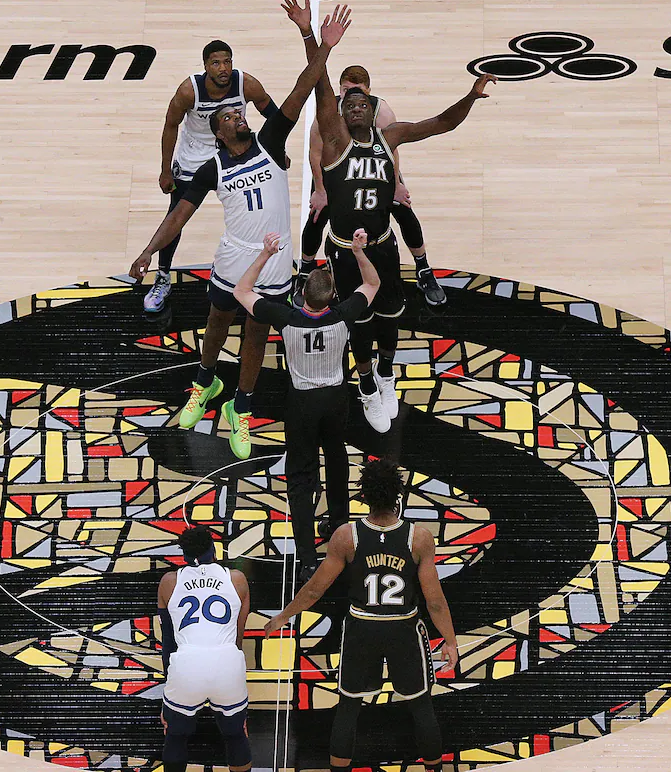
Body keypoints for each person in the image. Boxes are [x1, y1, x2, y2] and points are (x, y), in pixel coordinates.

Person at [128, 0, 353, 459]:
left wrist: (320, 45)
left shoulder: (270, 141)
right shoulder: (210, 167)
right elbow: (179, 215)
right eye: (230, 118)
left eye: (240, 114)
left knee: (256, 333)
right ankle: (204, 382)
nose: (239, 116)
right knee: (216, 321)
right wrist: (149, 251)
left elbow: (301, 88)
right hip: (235, 255)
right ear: (218, 133)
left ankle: (242, 407)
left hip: (272, 260)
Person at [285, 0, 496, 431]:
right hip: (344, 252)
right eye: (350, 104)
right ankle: (365, 386)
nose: (357, 105)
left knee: (390, 317)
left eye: (365, 102)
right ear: (339, 115)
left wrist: (471, 96)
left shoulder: (390, 135)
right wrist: (311, 34)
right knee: (359, 324)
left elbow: (442, 123)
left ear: (373, 109)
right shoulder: (335, 140)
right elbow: (320, 82)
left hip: (382, 246)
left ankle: (384, 374)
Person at [262, 460, 458, 772]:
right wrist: (450, 641)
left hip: (361, 629)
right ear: (398, 494)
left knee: (349, 708)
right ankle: (435, 768)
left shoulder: (346, 536)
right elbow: (434, 601)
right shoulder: (418, 538)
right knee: (421, 706)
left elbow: (315, 590)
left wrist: (283, 616)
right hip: (403, 628)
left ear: (363, 495)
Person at [233, 229, 382, 580]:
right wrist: (359, 251)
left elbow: (241, 291)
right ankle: (342, 532)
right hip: (335, 399)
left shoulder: (286, 317)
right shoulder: (343, 314)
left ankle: (306, 556)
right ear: (331, 297)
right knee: (336, 462)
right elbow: (373, 284)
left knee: (301, 477)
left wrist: (266, 254)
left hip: (301, 403)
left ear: (301, 295)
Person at [144, 42, 283, 314]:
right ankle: (162, 275)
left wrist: (278, 150)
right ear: (205, 66)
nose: (223, 68)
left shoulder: (246, 84)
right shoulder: (189, 91)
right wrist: (164, 169)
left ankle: (266, 276)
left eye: (227, 61)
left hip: (235, 148)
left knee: (258, 209)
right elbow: (171, 126)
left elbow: (275, 116)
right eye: (216, 63)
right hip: (195, 154)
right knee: (177, 214)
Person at [300, 65, 446, 307]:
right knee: (317, 215)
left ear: (368, 91)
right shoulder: (328, 114)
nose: (352, 97)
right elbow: (315, 153)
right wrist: (320, 189)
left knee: (404, 210)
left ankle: (423, 268)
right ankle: (305, 272)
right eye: (346, 90)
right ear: (340, 90)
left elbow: (393, 150)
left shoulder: (382, 111)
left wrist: (397, 184)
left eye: (357, 91)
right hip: (337, 172)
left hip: (377, 168)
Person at [158, 526, 252, 772]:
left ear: (184, 555)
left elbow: (168, 641)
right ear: (214, 550)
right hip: (227, 661)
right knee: (236, 735)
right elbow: (238, 636)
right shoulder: (237, 579)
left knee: (175, 736)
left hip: (187, 665)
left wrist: (169, 691)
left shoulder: (169, 582)